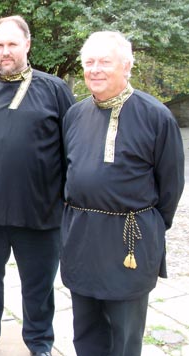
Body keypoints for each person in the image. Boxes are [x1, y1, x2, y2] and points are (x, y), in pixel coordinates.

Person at [60, 31, 185, 356]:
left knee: (124, 336)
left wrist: (149, 227)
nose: (95, 69)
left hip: (129, 240)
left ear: (126, 66)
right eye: (89, 62)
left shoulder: (156, 116)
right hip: (81, 237)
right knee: (85, 330)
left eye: (105, 62)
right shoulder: (74, 114)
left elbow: (170, 187)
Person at [0, 15, 75, 356]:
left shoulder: (54, 89)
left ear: (27, 45)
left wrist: (64, 199)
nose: (5, 51)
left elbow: (73, 148)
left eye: (12, 44)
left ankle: (39, 341)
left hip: (39, 211)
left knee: (38, 286)